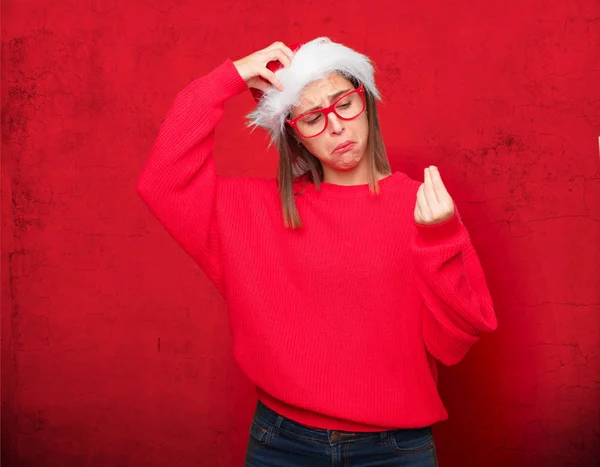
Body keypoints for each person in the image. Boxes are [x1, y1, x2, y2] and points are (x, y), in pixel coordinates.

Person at [136, 37, 498, 467]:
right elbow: (162, 180)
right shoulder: (252, 214)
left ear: (366, 101)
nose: (336, 126)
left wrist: (439, 239)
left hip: (394, 450)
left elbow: (453, 344)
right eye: (312, 117)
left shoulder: (422, 206)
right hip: (281, 445)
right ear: (296, 136)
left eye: (343, 103)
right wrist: (229, 78)